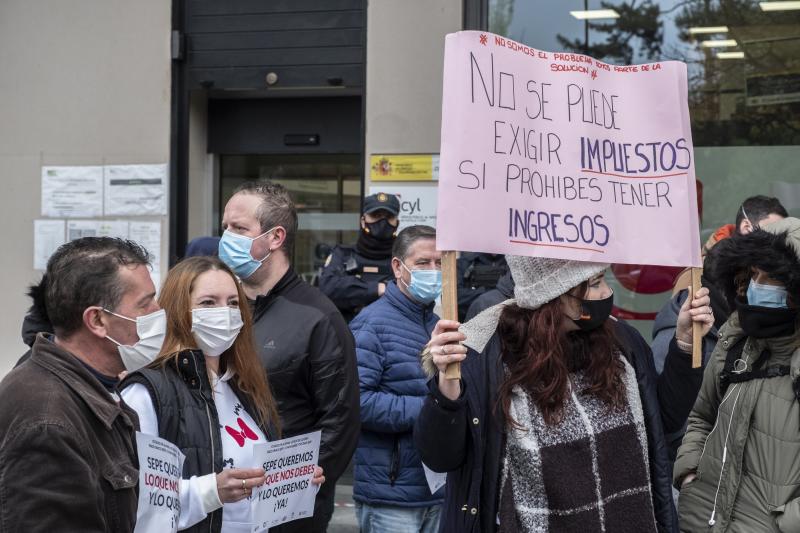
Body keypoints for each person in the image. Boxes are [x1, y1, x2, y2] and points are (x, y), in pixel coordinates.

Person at [414, 255, 677, 532]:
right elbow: (440, 456)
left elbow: (662, 427)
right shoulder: (485, 356)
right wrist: (447, 387)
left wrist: (683, 349)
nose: (607, 294)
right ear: (556, 292)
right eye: (596, 283)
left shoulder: (623, 343)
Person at [121, 256, 324, 532]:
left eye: (232, 303)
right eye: (208, 302)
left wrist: (291, 481)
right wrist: (211, 491)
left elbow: (253, 482)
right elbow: (137, 500)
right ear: (180, 310)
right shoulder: (148, 393)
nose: (224, 313)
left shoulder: (242, 386)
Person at [218, 180, 360, 532]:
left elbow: (339, 421)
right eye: (225, 228)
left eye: (238, 228)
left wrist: (293, 484)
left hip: (287, 509)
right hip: (224, 499)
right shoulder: (222, 307)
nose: (226, 238)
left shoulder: (318, 318)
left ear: (275, 237)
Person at [0, 237, 161, 531]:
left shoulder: (96, 389)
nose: (158, 311)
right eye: (145, 303)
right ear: (97, 320)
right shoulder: (47, 421)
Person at [675, 217, 800, 532]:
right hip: (704, 521)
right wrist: (691, 474)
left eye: (769, 276)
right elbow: (702, 416)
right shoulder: (735, 342)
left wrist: (784, 524)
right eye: (752, 274)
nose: (756, 285)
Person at [652, 196, 787, 460]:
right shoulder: (685, 322)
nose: (765, 287)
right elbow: (670, 422)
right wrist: (692, 470)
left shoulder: (766, 327)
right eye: (756, 277)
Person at [350, 225, 444, 532]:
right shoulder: (371, 324)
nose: (433, 271)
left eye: (439, 263)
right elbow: (358, 403)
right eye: (423, 263)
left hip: (436, 491)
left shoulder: (439, 325)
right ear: (397, 267)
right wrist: (431, 409)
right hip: (390, 496)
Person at [319, 192, 400, 321]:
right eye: (376, 216)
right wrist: (378, 288)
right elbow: (328, 288)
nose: (382, 222)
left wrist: (353, 290)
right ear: (363, 221)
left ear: (397, 222)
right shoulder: (343, 254)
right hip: (346, 334)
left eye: (389, 216)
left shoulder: (402, 259)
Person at [456, 253, 508, 321]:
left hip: (505, 322)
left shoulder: (513, 264)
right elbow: (455, 296)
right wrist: (488, 292)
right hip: (469, 321)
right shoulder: (465, 262)